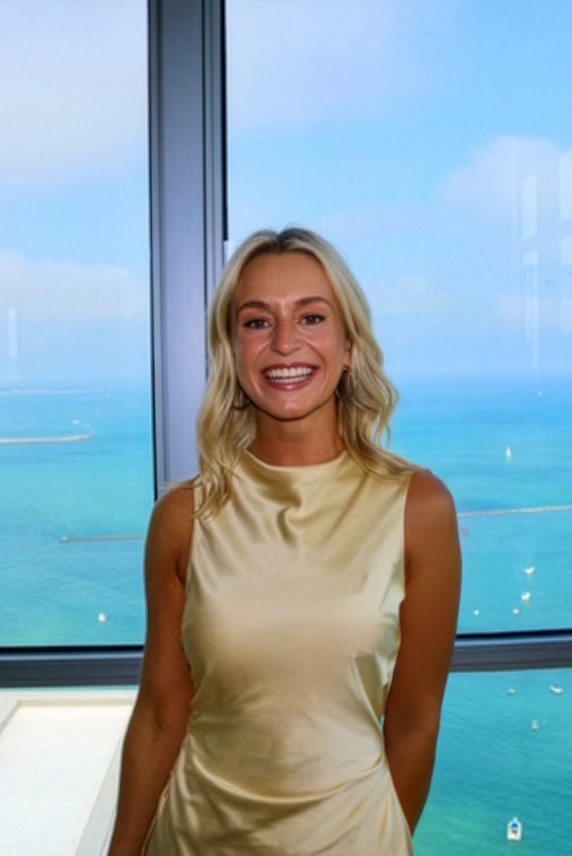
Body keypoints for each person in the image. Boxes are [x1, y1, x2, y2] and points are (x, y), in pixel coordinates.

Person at [109, 227, 461, 855]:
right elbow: (162, 712)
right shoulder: (184, 516)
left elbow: (414, 723)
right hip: (194, 840)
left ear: (349, 346)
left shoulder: (419, 508)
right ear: (231, 350)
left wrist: (376, 838)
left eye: (312, 316)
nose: (284, 343)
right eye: (256, 322)